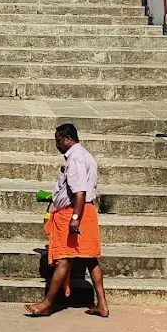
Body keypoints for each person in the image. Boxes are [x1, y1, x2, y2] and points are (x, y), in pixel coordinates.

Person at [26, 123, 109, 318]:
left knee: (64, 258)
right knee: (90, 258)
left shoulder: (75, 158)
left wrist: (74, 218)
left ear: (67, 139)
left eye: (58, 141)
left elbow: (79, 192)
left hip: (75, 213)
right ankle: (102, 304)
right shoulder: (86, 155)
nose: (56, 145)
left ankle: (47, 304)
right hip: (86, 212)